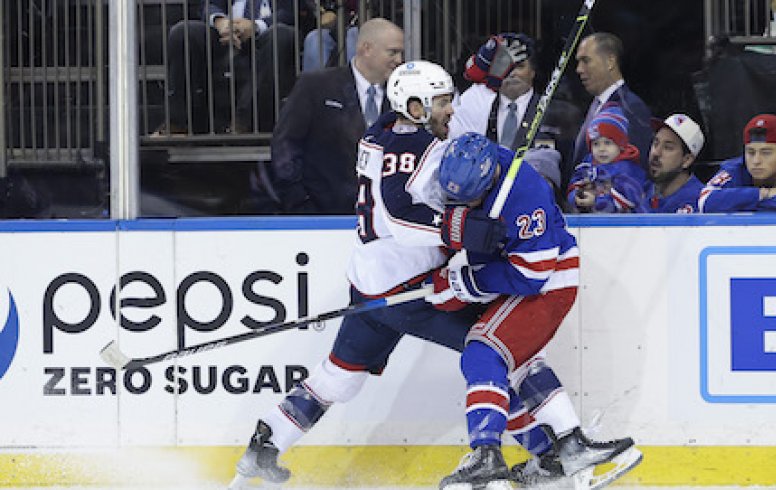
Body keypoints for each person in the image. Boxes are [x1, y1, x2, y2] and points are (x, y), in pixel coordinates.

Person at [228, 61, 634, 490]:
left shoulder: (380, 131)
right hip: (409, 288)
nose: (450, 110)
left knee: (340, 376)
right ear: (415, 105)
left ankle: (267, 442)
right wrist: (460, 229)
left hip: (369, 282)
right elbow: (400, 217)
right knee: (498, 355)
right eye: (442, 102)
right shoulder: (415, 147)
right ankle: (552, 457)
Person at [431, 132, 642, 489]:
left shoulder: (526, 195)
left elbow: (532, 275)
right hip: (521, 277)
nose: (467, 204)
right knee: (520, 366)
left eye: (474, 199)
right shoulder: (469, 172)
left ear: (490, 179)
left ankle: (486, 456)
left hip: (549, 282)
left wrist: (467, 281)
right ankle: (568, 448)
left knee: (482, 353)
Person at [265, 17, 403, 215]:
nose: (399, 60)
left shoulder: (400, 96)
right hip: (322, 215)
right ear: (366, 48)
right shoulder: (316, 85)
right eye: (393, 52)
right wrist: (299, 202)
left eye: (400, 53)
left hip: (383, 221)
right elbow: (285, 144)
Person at [155, 0, 297, 135]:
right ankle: (177, 123)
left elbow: (291, 10)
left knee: (281, 35)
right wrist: (220, 21)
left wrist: (255, 26)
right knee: (184, 31)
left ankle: (245, 122)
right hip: (223, 34)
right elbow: (208, 4)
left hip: (267, 33)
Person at [450, 33, 579, 165]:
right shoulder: (478, 106)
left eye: (519, 66)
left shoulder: (557, 113)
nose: (512, 73)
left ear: (533, 71)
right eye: (504, 67)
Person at [698, 113, 776, 212]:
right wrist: (762, 194)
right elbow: (705, 201)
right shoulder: (735, 169)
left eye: (766, 153)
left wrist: (736, 202)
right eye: (751, 152)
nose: (756, 161)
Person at [573, 32, 652, 178]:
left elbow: (637, 169)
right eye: (578, 62)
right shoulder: (596, 104)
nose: (579, 69)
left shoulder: (631, 107)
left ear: (610, 62)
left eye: (586, 60)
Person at [565, 104, 649, 213]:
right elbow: (575, 183)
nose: (601, 149)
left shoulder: (628, 169)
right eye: (596, 144)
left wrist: (596, 201)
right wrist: (576, 197)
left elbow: (628, 199)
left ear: (621, 145)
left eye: (607, 143)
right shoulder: (587, 165)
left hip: (622, 225)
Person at [645, 114, 706, 213]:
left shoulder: (700, 203)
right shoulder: (640, 190)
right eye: (655, 143)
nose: (656, 153)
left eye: (668, 147)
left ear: (687, 160)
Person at [302, 0, 359, 72]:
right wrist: (323, 13)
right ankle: (317, 82)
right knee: (314, 38)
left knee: (353, 34)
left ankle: (353, 82)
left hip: (367, 25)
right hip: (338, 25)